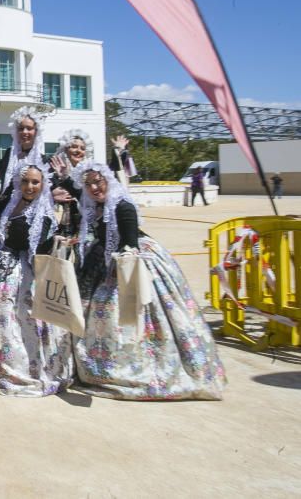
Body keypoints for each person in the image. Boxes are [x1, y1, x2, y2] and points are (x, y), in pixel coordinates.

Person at [71, 161, 225, 400]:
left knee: (131, 315)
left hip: (132, 262)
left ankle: (139, 369)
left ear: (107, 180)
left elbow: (130, 244)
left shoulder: (122, 206)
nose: (93, 188)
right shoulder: (98, 208)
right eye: (89, 184)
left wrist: (117, 265)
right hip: (112, 261)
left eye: (98, 182)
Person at [0, 162, 73, 396]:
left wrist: (59, 243)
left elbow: (41, 246)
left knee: (15, 318)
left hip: (21, 273)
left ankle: (16, 367)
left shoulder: (44, 213)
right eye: (25, 181)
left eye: (35, 182)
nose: (29, 186)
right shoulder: (9, 201)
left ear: (43, 185)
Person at [0, 106, 47, 196]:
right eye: (21, 129)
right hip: (5, 204)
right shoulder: (9, 154)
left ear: (36, 132)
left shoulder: (41, 160)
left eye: (29, 128)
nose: (24, 132)